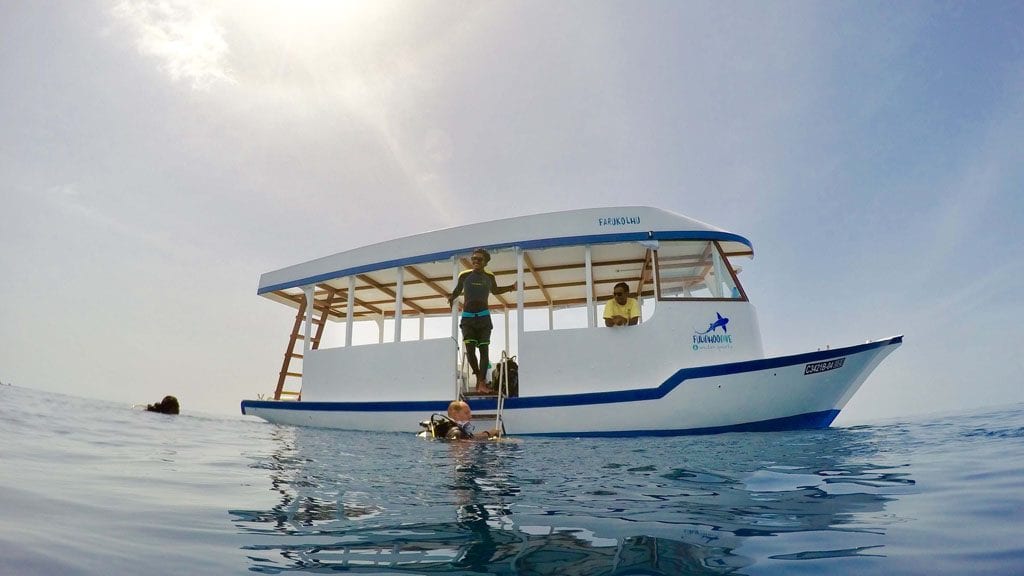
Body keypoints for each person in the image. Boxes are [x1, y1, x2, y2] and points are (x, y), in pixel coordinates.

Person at [448, 248, 516, 393]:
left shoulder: (489, 277)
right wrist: (451, 298)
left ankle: (481, 383)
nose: (476, 261)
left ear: (485, 262)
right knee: (470, 350)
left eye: (479, 259)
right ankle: (480, 378)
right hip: (467, 318)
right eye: (474, 259)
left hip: (484, 317)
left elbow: (496, 291)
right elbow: (457, 290)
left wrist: (512, 287)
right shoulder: (464, 275)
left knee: (484, 350)